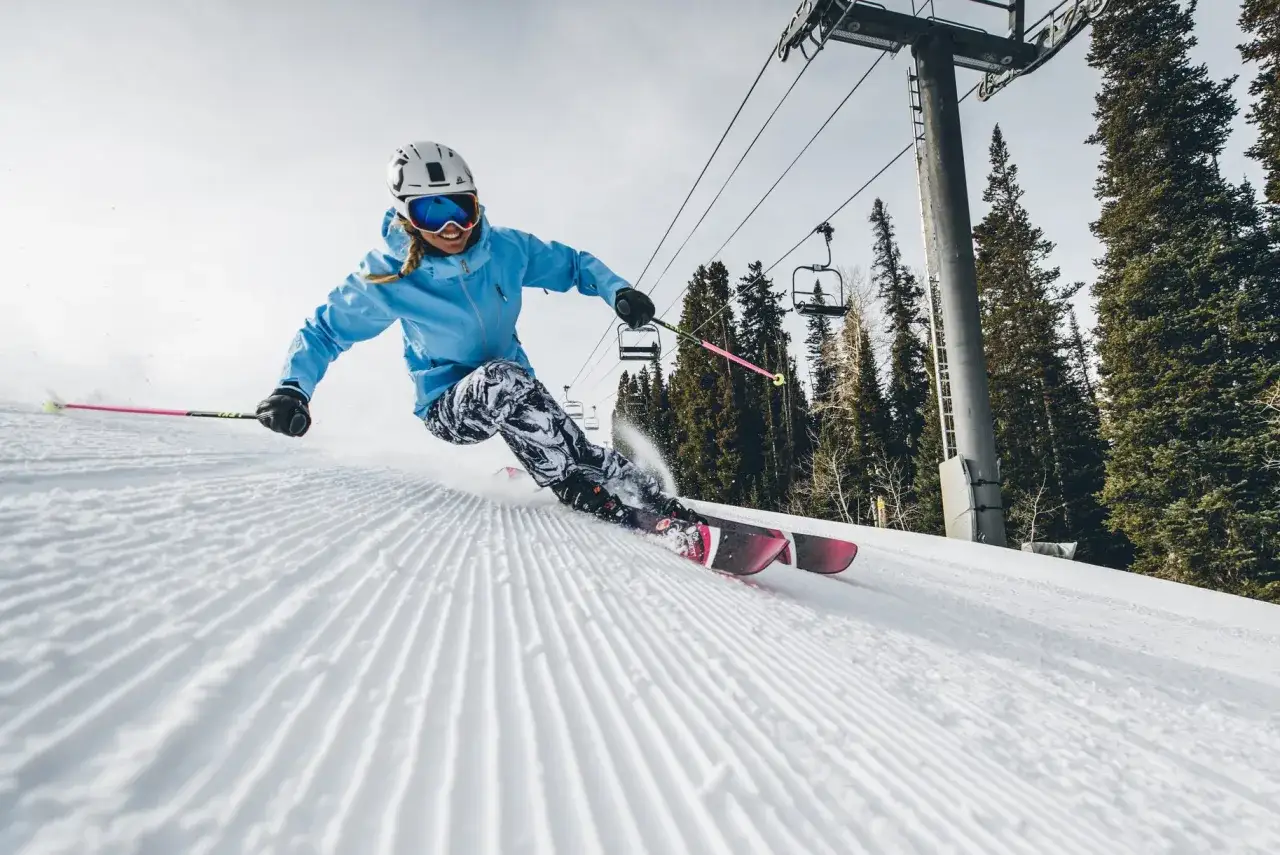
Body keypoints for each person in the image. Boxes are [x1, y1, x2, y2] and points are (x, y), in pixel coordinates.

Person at [256, 141, 705, 528]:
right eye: (433, 212)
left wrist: (617, 290)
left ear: (475, 204)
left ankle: (648, 495)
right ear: (408, 217)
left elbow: (573, 264)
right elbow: (325, 330)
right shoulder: (388, 276)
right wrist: (292, 388)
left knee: (575, 443)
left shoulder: (506, 249)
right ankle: (568, 483)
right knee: (503, 381)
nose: (452, 227)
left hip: (514, 389)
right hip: (449, 408)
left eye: (461, 208)